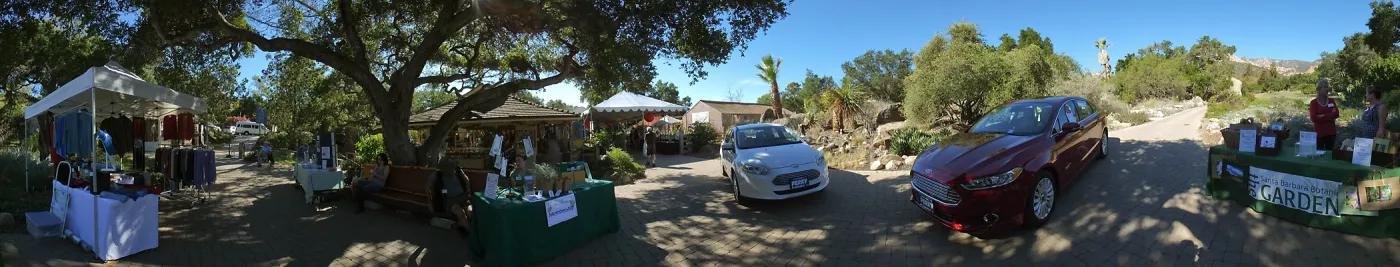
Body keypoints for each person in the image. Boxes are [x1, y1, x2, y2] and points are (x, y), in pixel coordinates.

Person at [1310, 79, 1340, 150]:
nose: (1327, 89)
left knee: (1330, 155)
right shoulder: (1314, 103)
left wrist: (1323, 116)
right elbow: (1313, 118)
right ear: (1319, 89)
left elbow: (1337, 114)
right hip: (1319, 134)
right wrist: (1330, 115)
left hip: (1331, 133)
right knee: (1319, 155)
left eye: (1327, 87)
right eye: (1325, 87)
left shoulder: (1331, 101)